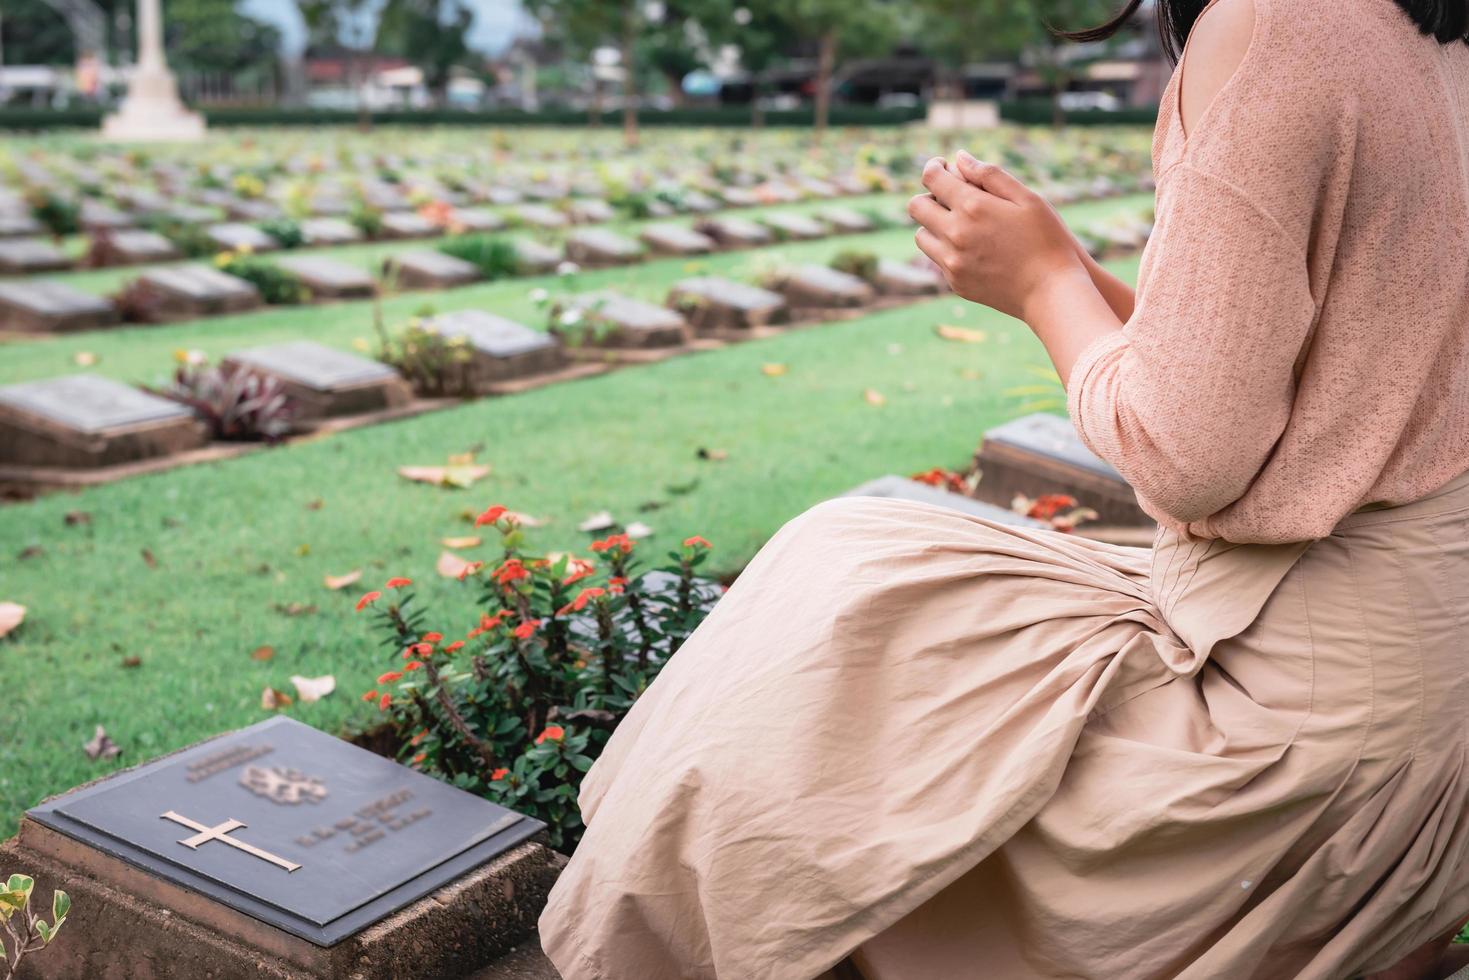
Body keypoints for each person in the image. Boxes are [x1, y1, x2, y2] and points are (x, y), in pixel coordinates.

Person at [539, 0, 1469, 975]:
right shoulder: (1431, 28)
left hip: (1292, 737)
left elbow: (1188, 452)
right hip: (1427, 706)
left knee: (828, 605)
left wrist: (1035, 286)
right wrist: (1066, 265)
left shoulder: (1274, 21)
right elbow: (1300, 375)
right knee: (858, 567)